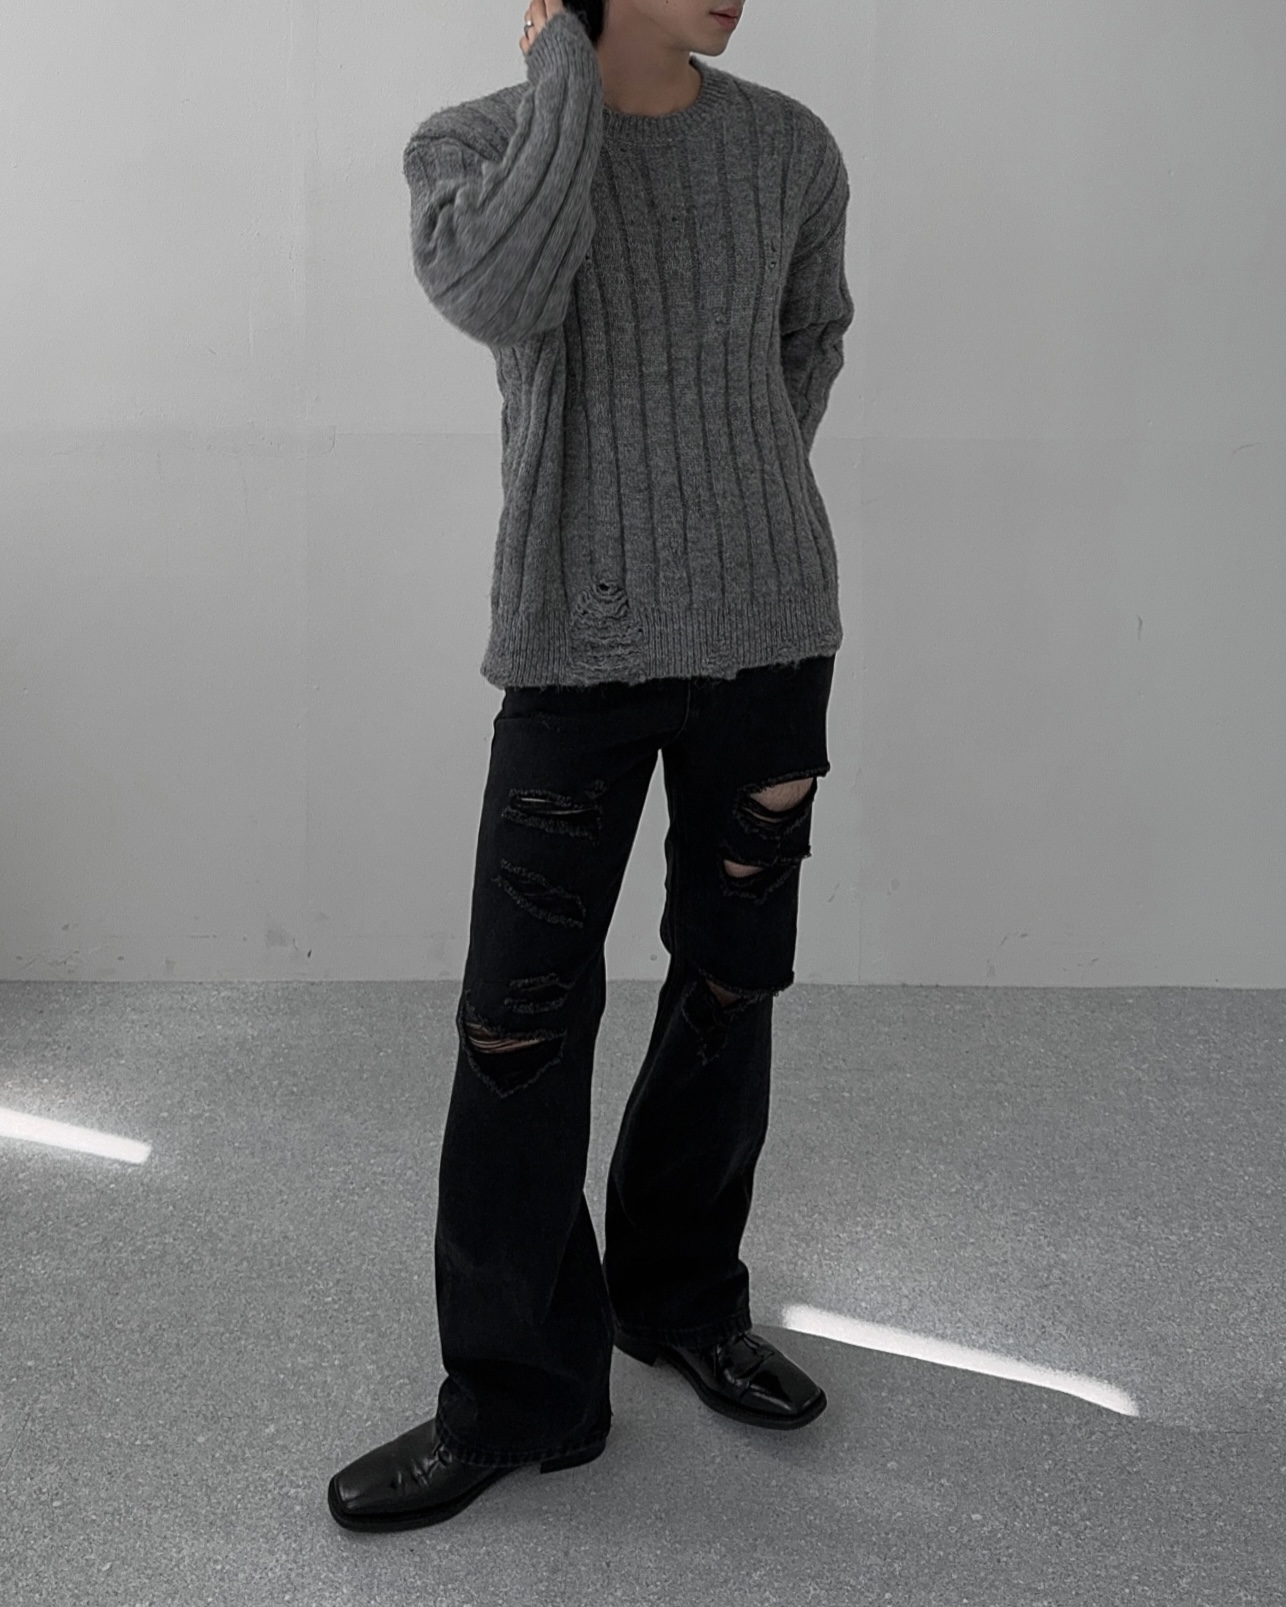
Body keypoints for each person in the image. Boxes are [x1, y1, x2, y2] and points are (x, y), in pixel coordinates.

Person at [328, 0, 854, 1530]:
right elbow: (500, 292)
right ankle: (521, 1391)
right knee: (519, 1020)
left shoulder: (789, 145)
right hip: (573, 642)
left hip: (769, 627)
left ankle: (677, 1297)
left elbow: (808, 340)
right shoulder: (477, 143)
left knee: (730, 980)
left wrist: (721, 509)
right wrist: (563, 57)